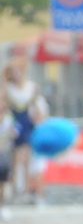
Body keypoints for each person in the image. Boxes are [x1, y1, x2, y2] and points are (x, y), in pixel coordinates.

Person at [5, 57, 49, 205]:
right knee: (18, 158)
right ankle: (20, 189)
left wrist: (40, 120)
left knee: (32, 160)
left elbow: (40, 109)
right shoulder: (7, 90)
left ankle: (32, 191)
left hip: (30, 125)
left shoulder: (32, 88)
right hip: (15, 127)